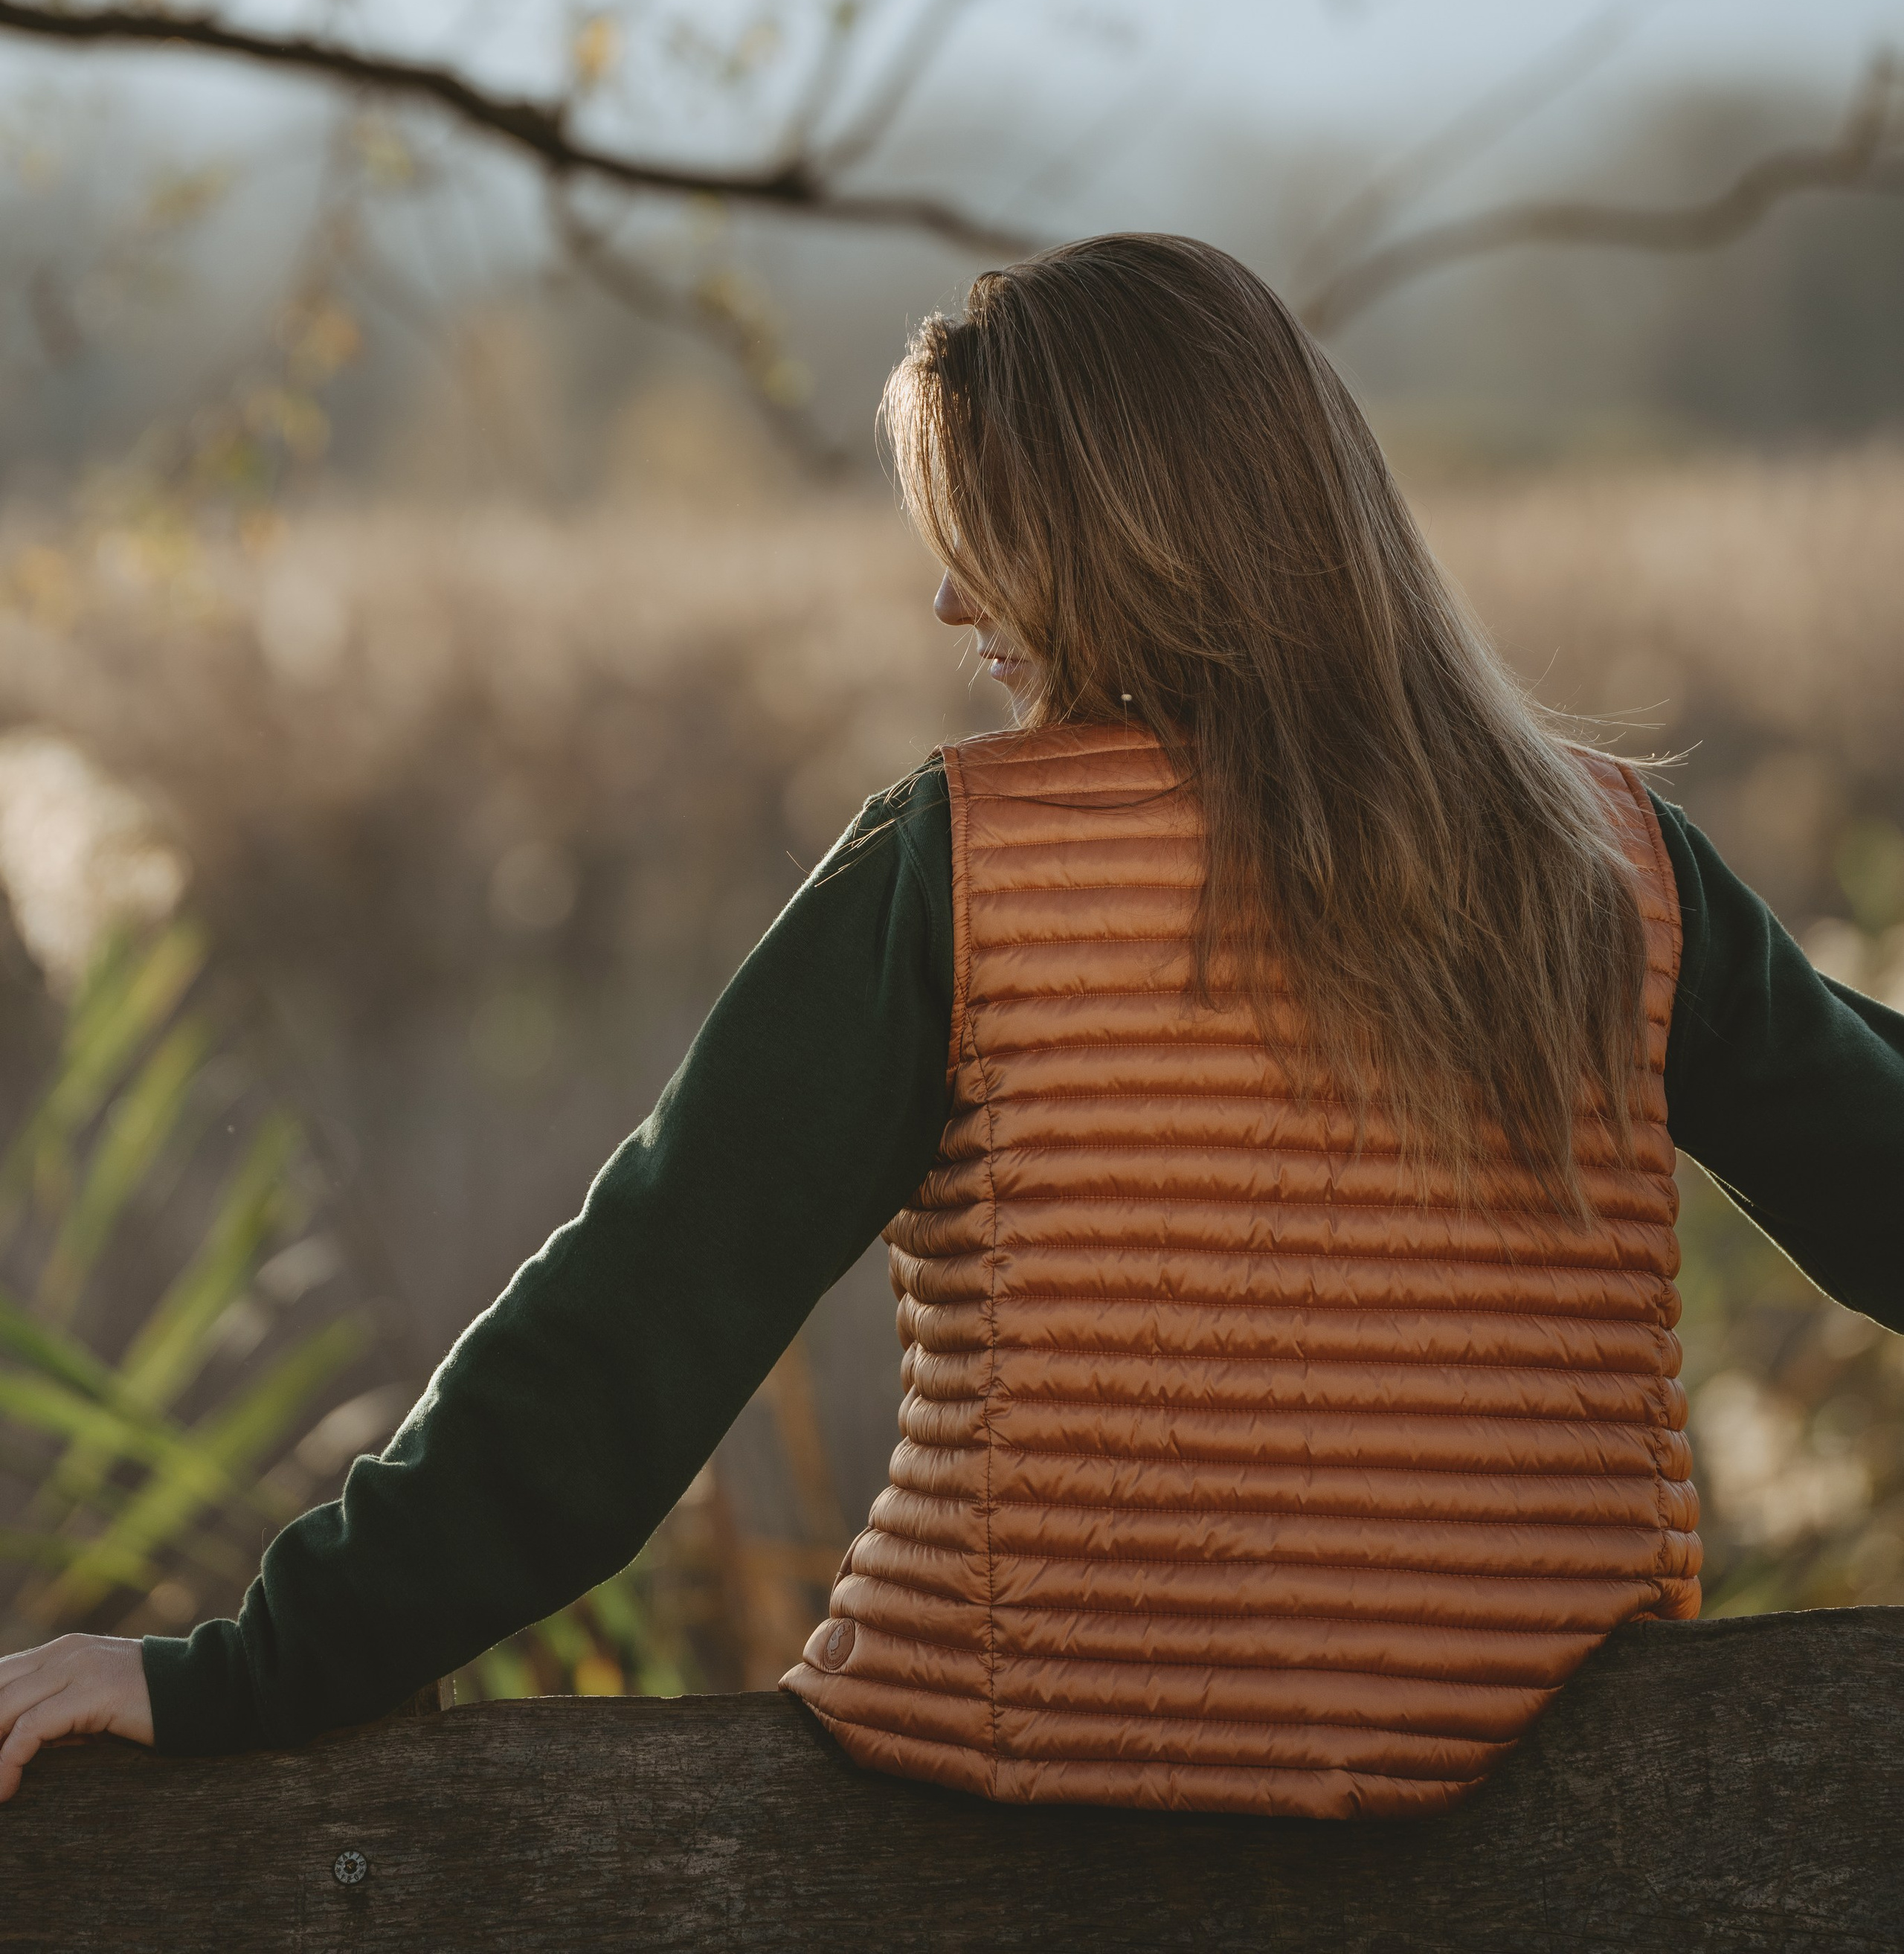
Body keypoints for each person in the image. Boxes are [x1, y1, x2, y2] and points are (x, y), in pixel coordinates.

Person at [2, 235, 1900, 1813]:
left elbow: (629, 1336)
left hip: (1022, 1836)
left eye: (977, 530)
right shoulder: (1602, 863)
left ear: (1119, 536)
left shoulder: (959, 868)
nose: (941, 601)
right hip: (1565, 1818)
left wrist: (247, 1671)